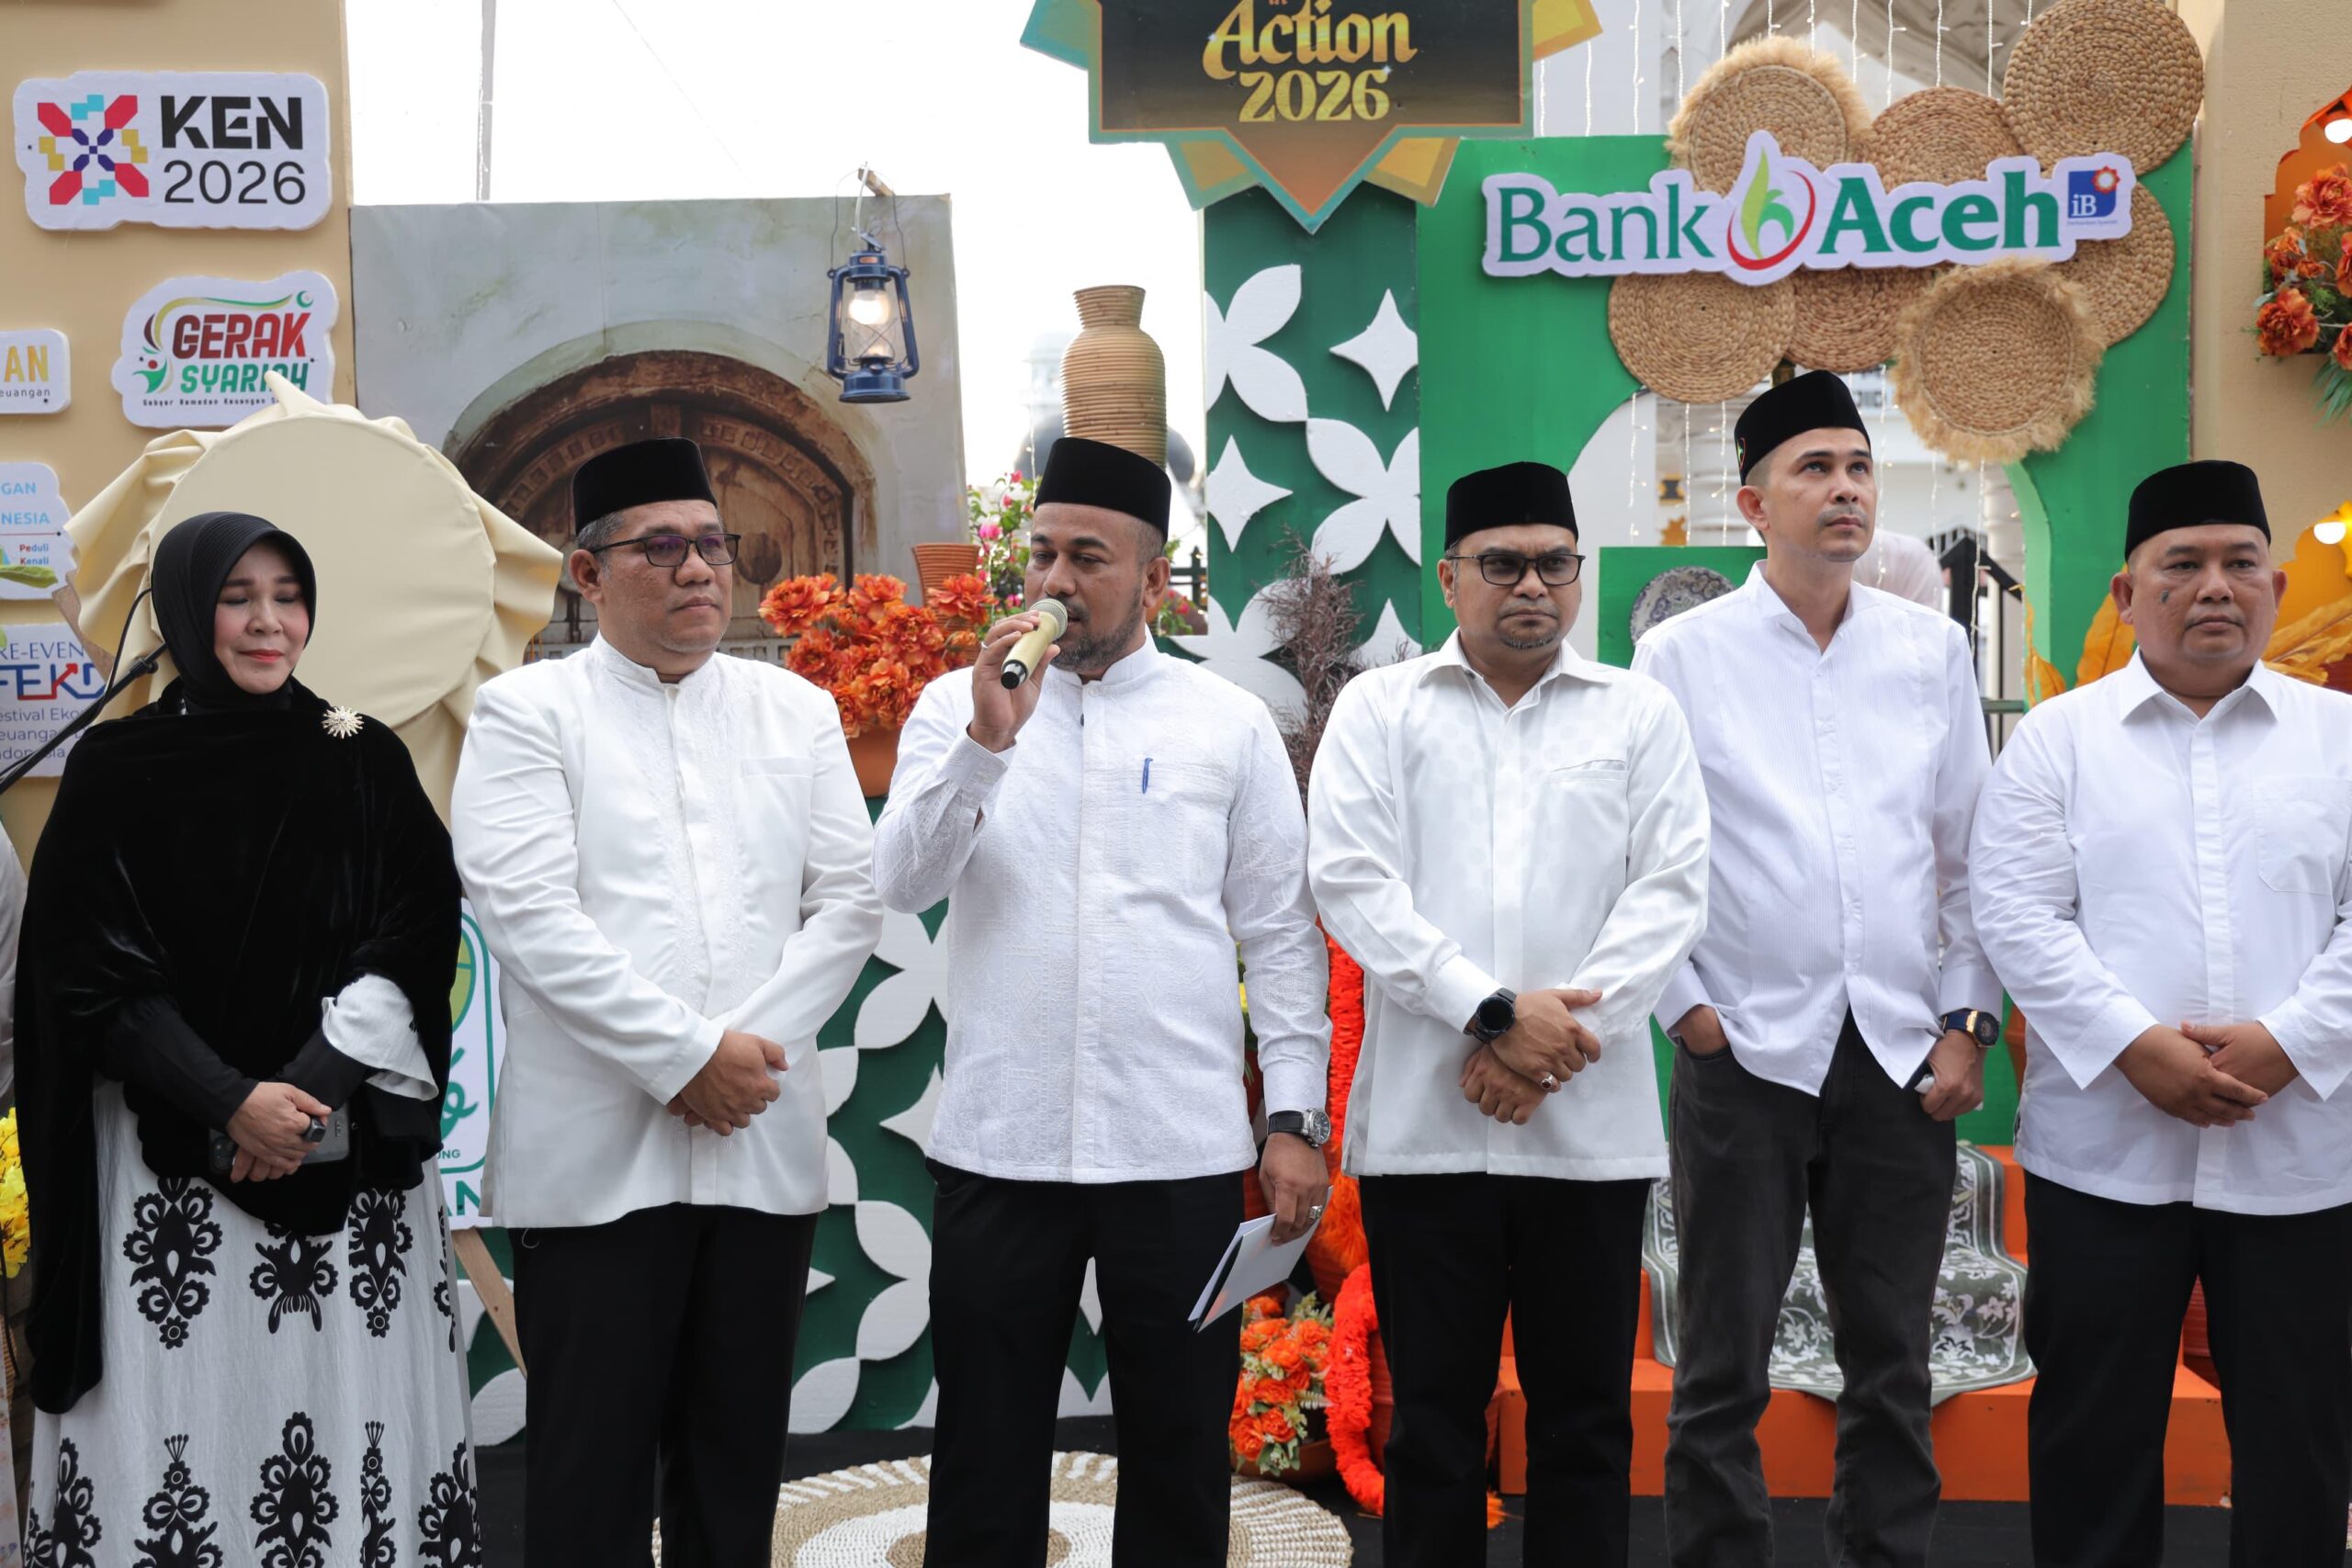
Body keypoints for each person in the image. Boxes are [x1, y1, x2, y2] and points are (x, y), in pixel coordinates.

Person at [874, 435, 1330, 1567]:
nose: (1056, 581)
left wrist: (1293, 1117)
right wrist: (986, 742)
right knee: (984, 1450)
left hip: (1176, 1150)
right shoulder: (953, 710)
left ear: (1154, 580)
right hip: (1001, 1146)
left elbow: (1279, 932)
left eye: (1089, 558)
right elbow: (903, 884)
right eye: (1041, 555)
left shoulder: (1223, 722)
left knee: (1177, 1451)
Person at [16, 511, 479, 1561]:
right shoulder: (119, 764)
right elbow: (85, 976)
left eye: (288, 596)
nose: (269, 622)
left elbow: (416, 932)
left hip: (341, 1164)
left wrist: (299, 1101)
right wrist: (229, 1102)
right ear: (186, 612)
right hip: (168, 1180)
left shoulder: (362, 755)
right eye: (237, 598)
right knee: (194, 1419)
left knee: (344, 1415)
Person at [452, 437, 882, 1566]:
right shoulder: (527, 713)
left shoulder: (794, 710)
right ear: (587, 575)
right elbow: (527, 915)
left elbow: (849, 901)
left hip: (760, 1140)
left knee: (735, 1471)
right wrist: (687, 1058)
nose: (698, 568)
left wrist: (745, 1058)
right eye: (662, 548)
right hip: (596, 1159)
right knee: (588, 1478)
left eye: (711, 545)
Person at [1308, 460, 1710, 1565]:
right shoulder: (1381, 709)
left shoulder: (1638, 712)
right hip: (1426, 1135)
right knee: (1433, 1423)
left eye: (1554, 563)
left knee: (1584, 1423)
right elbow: (1350, 882)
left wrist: (1548, 1048)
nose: (1532, 584)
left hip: (1585, 1137)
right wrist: (1490, 1013)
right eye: (1503, 563)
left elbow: (1670, 891)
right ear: (1450, 578)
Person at [1631, 370, 1999, 1568]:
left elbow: (1967, 854)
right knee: (1719, 1367)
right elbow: (1641, 853)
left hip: (1898, 1054)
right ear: (1751, 503)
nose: (1845, 489)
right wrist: (1688, 1011)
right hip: (1743, 1052)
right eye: (1814, 469)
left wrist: (1967, 1023)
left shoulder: (1930, 650)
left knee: (1893, 1363)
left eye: (1858, 467)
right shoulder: (1680, 657)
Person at [1971, 459, 2352, 1567]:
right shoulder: (2057, 741)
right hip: (2106, 1157)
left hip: (2300, 1155)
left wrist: (2291, 1042)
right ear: (2126, 594)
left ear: (2275, 586)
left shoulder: (2338, 737)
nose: (2213, 587)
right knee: (2093, 1435)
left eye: (2240, 563)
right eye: (2180, 565)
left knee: (2301, 1434)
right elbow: (2017, 913)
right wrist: (2134, 1048)